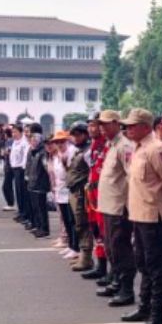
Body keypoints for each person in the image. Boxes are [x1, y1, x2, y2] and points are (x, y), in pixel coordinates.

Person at [121, 108, 162, 324]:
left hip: (154, 217)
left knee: (156, 269)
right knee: (143, 264)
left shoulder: (157, 149)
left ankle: (158, 317)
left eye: (132, 125)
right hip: (139, 215)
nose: (128, 129)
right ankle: (145, 308)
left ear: (145, 126)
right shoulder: (138, 149)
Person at [96, 110, 136, 308]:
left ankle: (126, 289)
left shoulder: (125, 146)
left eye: (105, 124)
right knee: (111, 247)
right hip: (108, 206)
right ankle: (117, 281)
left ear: (115, 123)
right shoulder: (112, 145)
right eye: (100, 124)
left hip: (119, 206)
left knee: (121, 248)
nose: (101, 128)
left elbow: (132, 176)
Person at [82, 115, 108, 282]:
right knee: (96, 232)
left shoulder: (106, 144)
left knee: (106, 233)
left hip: (103, 195)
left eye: (94, 125)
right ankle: (101, 265)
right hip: (92, 193)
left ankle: (110, 271)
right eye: (90, 125)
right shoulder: (93, 145)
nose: (91, 129)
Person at [65, 121, 93, 272]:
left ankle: (86, 257)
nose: (75, 138)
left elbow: (92, 172)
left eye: (78, 134)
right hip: (74, 191)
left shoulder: (88, 151)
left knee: (82, 224)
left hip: (82, 192)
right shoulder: (78, 150)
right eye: (74, 135)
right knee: (78, 223)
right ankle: (84, 255)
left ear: (85, 134)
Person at [49, 130, 79, 260]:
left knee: (72, 219)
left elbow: (71, 171)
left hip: (69, 188)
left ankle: (75, 247)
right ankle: (70, 245)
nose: (59, 145)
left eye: (62, 142)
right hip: (60, 188)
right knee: (66, 219)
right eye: (57, 142)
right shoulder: (57, 155)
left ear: (67, 141)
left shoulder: (72, 152)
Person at [25, 127, 50, 237]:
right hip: (32, 182)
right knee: (35, 207)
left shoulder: (42, 153)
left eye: (35, 141)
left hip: (40, 183)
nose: (33, 142)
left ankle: (44, 228)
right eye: (31, 141)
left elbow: (46, 168)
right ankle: (38, 226)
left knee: (41, 207)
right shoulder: (32, 151)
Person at [10, 124, 31, 224]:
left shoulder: (24, 143)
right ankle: (21, 211)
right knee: (18, 192)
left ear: (20, 132)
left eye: (15, 132)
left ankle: (25, 213)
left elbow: (25, 157)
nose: (13, 134)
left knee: (23, 192)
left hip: (21, 169)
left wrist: (23, 169)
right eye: (12, 132)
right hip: (15, 168)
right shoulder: (15, 142)